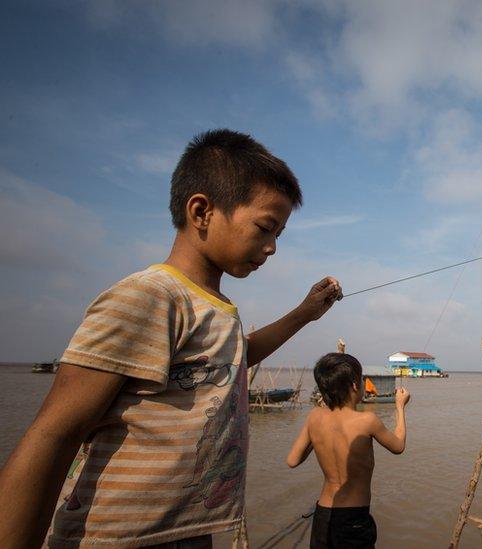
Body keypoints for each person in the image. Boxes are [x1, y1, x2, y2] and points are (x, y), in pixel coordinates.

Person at [0, 129, 343, 548]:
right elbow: (54, 433)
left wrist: (306, 313)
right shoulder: (150, 297)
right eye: (265, 228)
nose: (272, 247)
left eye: (279, 235)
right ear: (201, 212)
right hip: (120, 536)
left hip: (185, 531)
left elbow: (235, 359)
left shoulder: (216, 307)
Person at [287, 353, 409, 549]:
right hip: (354, 518)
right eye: (362, 380)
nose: (363, 384)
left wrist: (316, 434)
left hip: (323, 515)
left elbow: (292, 460)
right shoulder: (367, 420)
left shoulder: (314, 418)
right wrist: (400, 407)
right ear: (354, 385)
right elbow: (398, 446)